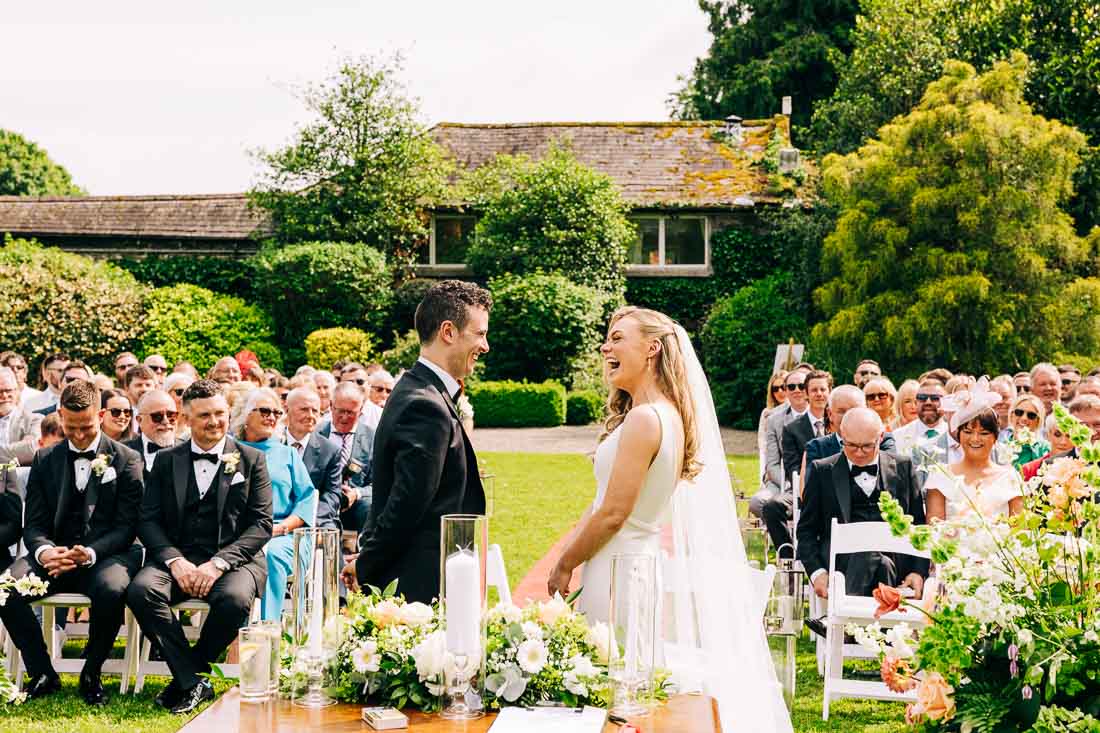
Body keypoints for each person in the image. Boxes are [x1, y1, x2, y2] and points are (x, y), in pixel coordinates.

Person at [546, 306, 791, 732]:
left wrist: (565, 562)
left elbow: (614, 513)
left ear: (653, 348)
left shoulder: (646, 419)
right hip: (629, 564)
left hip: (619, 568)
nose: (606, 346)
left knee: (614, 693)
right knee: (621, 684)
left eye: (618, 337)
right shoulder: (661, 414)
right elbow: (605, 502)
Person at [127, 379, 273, 715]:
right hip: (178, 558)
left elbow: (261, 524)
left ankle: (189, 674)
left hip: (235, 560)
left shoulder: (251, 460)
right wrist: (175, 561)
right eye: (204, 415)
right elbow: (147, 520)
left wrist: (218, 564)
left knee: (236, 600)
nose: (214, 421)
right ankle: (193, 682)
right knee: (141, 590)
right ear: (186, 419)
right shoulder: (166, 460)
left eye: (220, 413)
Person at [344, 280, 489, 605]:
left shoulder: (416, 389)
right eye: (479, 334)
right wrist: (366, 563)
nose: (485, 345)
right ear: (448, 332)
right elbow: (406, 503)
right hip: (419, 586)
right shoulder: (425, 405)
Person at [2, 380, 144, 706]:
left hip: (107, 555)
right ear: (59, 415)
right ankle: (42, 672)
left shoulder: (127, 460)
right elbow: (33, 523)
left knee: (111, 590)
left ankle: (91, 673)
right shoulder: (45, 459)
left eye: (87, 427)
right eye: (71, 426)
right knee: (6, 589)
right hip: (53, 556)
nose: (79, 435)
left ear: (102, 415)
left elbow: (127, 527)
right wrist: (46, 550)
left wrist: (90, 553)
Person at [797, 408, 929, 600]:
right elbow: (806, 531)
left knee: (878, 560)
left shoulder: (902, 467)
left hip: (896, 561)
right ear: (841, 436)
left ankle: (847, 620)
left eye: (867, 446)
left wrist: (917, 572)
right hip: (841, 565)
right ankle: (879, 627)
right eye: (850, 445)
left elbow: (918, 524)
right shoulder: (822, 471)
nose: (858, 453)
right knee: (876, 561)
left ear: (881, 437)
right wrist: (818, 573)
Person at [234, 388, 315, 622]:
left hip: (282, 534)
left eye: (276, 413)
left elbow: (306, 501)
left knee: (271, 555)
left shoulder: (287, 454)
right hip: (238, 534)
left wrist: (280, 529)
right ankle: (232, 634)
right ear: (245, 415)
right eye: (265, 411)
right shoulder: (231, 452)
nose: (271, 417)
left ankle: (266, 630)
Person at [925, 392, 1023, 521]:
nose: (975, 439)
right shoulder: (940, 476)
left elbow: (1019, 531)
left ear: (995, 437)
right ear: (958, 434)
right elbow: (934, 529)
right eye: (968, 432)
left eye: (984, 433)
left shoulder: (1011, 478)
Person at [317, 383, 375, 535]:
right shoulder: (316, 434)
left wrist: (356, 493)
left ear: (361, 411)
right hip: (323, 502)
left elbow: (380, 483)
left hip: (357, 505)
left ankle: (363, 556)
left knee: (370, 507)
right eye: (340, 411)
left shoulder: (373, 438)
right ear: (330, 406)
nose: (344, 417)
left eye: (351, 413)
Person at [284, 387, 341, 532]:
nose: (310, 416)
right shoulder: (272, 445)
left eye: (315, 411)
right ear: (287, 409)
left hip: (315, 520)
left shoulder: (330, 451)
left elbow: (332, 494)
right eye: (304, 409)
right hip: (277, 516)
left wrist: (307, 518)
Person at [751, 370, 805, 523]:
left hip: (813, 481)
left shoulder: (820, 416)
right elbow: (772, 463)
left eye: (801, 386)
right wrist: (788, 484)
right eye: (791, 387)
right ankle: (785, 543)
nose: (797, 390)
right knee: (757, 502)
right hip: (783, 481)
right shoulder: (774, 419)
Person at [125, 390, 179, 474]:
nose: (166, 421)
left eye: (171, 415)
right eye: (157, 417)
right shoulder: (124, 452)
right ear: (139, 420)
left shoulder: (190, 450)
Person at [890, 378, 947, 457]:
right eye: (922, 398)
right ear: (916, 402)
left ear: (946, 402)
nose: (928, 402)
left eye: (935, 398)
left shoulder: (955, 436)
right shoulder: (897, 437)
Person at [0, 366, 43, 466]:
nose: (5, 396)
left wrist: (24, 448)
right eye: (0, 391)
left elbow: (30, 450)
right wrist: (16, 448)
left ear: (17, 391)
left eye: (9, 390)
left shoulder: (34, 420)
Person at [756, 371, 788, 491]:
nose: (780, 391)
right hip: (772, 461)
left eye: (783, 387)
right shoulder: (767, 413)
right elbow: (763, 444)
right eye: (776, 388)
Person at [1000, 393, 1049, 468]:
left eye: (1031, 415)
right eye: (1019, 412)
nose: (1024, 418)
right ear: (1012, 415)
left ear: (1038, 421)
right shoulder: (1000, 447)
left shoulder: (1045, 449)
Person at [1022, 414, 1074, 481]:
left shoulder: (1085, 468)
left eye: (1069, 436)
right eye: (1057, 434)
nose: (1063, 442)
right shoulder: (1030, 469)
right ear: (1047, 435)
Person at [164, 372, 195, 441]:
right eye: (179, 392)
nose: (184, 397)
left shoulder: (197, 423)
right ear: (167, 393)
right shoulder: (158, 421)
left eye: (188, 392)